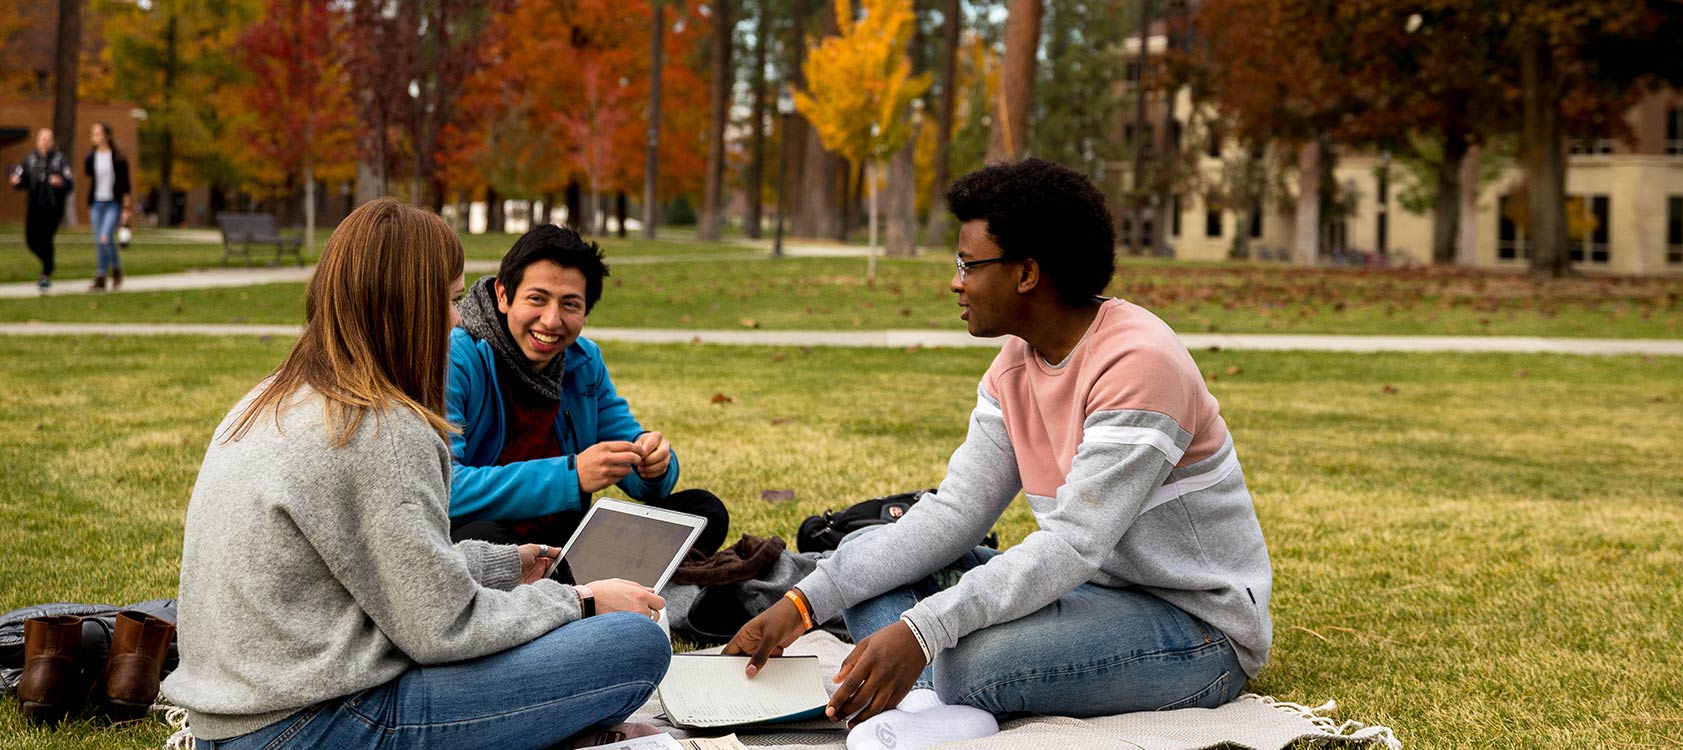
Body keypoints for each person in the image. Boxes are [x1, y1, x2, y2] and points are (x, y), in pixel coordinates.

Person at [724, 159, 1275, 750]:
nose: (955, 282)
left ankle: (933, 689)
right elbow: (954, 514)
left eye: (968, 264)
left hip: (1194, 628)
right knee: (863, 554)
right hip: (1087, 593)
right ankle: (925, 701)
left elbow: (1072, 545)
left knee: (972, 660)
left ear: (1028, 273)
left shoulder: (1140, 365)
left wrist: (924, 630)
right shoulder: (1015, 363)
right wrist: (803, 603)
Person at [162, 199, 672, 750]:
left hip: (237, 716)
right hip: (316, 724)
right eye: (450, 300)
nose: (456, 318)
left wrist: (506, 564)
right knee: (634, 644)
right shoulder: (380, 426)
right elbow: (442, 628)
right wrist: (583, 601)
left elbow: (393, 567)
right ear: (408, 306)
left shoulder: (270, 397)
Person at [448, 224, 730, 555]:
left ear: (585, 311)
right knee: (484, 541)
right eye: (537, 299)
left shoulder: (584, 360)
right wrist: (571, 477)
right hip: (488, 533)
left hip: (566, 534)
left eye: (570, 305)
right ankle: (585, 582)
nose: (551, 321)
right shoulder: (456, 357)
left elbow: (631, 455)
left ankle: (573, 580)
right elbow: (446, 487)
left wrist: (654, 464)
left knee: (704, 511)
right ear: (503, 295)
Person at [8, 129, 74, 295]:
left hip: (53, 207)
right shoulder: (30, 159)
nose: (45, 142)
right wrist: (16, 182)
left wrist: (61, 183)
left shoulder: (60, 161)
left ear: (53, 142)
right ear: (37, 141)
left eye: (48, 139)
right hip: (34, 206)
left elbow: (69, 183)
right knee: (31, 241)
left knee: (46, 238)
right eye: (42, 139)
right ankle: (49, 263)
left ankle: (45, 273)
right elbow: (22, 180)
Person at [84, 122, 132, 291]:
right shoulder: (91, 157)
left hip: (113, 203)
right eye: (93, 133)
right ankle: (109, 274)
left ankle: (104, 273)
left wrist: (126, 209)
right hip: (96, 203)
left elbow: (125, 185)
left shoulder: (118, 157)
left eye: (97, 133)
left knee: (104, 237)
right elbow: (89, 174)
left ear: (105, 135)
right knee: (101, 241)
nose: (94, 136)